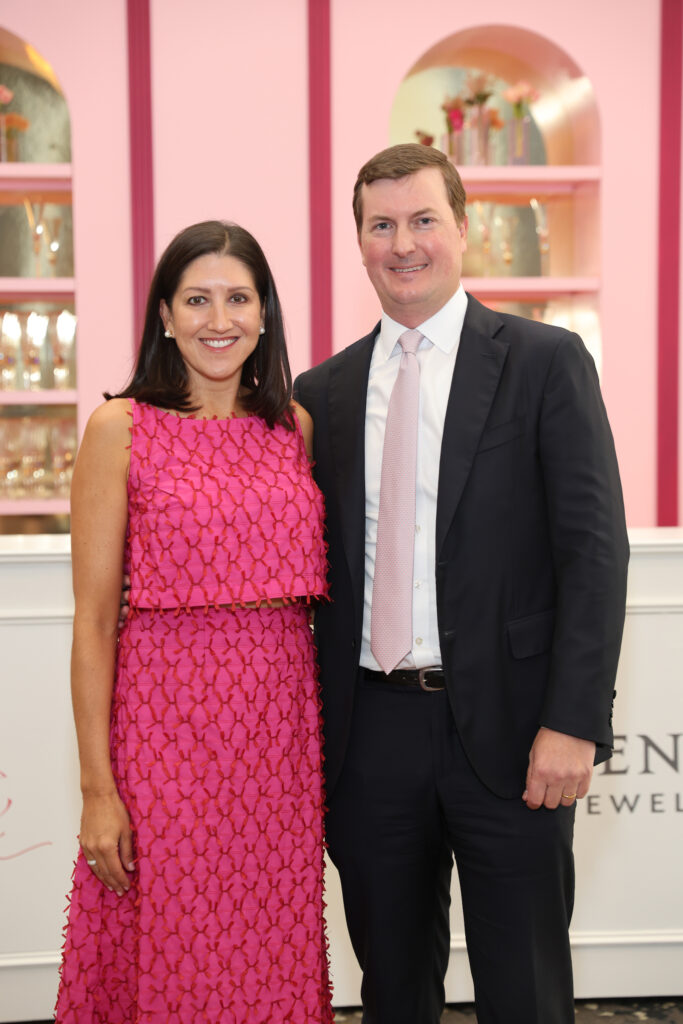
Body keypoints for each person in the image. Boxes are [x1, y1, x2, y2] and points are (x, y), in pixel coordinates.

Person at [294, 144, 629, 1024]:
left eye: (422, 220)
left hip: (517, 736)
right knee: (393, 994)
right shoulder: (318, 394)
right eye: (380, 225)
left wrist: (572, 721)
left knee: (523, 991)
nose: (402, 244)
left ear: (462, 229)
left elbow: (592, 553)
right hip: (369, 740)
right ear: (358, 241)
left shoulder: (544, 362)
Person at [56, 221, 333, 1023]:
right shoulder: (119, 431)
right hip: (163, 741)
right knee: (172, 946)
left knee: (270, 945)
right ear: (165, 317)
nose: (221, 319)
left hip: (277, 742)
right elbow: (95, 620)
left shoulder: (293, 427)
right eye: (198, 299)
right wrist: (97, 788)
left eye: (238, 298)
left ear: (265, 313)